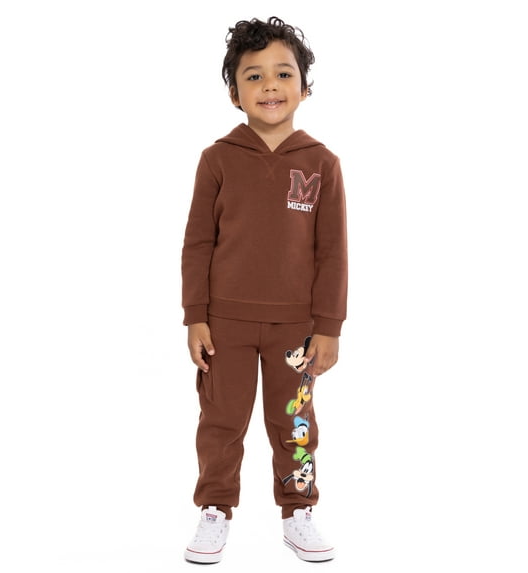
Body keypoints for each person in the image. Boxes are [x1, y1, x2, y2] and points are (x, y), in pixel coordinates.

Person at [181, 16, 348, 564]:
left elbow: (332, 253)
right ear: (235, 94)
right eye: (253, 76)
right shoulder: (217, 159)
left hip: (296, 328)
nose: (270, 86)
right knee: (221, 422)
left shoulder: (322, 163)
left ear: (305, 86)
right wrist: (195, 315)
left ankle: (298, 510)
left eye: (283, 73)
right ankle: (214, 509)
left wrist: (328, 327)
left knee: (294, 423)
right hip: (224, 325)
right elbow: (198, 242)